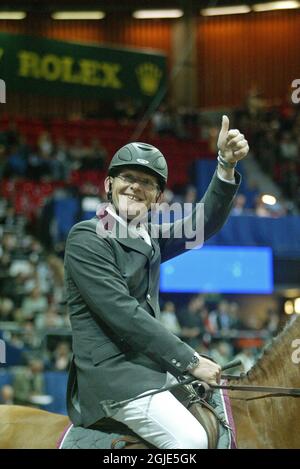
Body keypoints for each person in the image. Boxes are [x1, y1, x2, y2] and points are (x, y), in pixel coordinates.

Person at [64, 115, 249, 449]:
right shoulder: (88, 237)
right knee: (191, 441)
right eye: (128, 177)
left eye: (147, 183)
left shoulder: (147, 237)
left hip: (151, 371)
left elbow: (202, 224)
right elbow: (123, 313)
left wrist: (224, 165)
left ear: (158, 197)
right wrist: (192, 361)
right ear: (108, 184)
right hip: (115, 380)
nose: (136, 186)